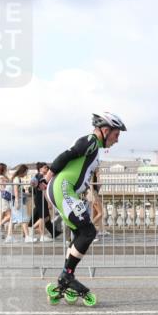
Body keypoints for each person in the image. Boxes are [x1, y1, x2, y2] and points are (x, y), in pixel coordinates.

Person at [45, 112, 126, 301]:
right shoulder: (90, 141)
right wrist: (45, 177)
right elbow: (67, 155)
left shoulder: (95, 147)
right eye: (116, 135)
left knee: (81, 233)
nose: (117, 140)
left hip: (67, 190)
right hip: (63, 188)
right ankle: (67, 275)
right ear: (105, 130)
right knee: (88, 231)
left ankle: (64, 278)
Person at [5, 164, 33, 243]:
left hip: (14, 201)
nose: (26, 174)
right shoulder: (17, 179)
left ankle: (9, 237)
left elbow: (17, 191)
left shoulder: (16, 178)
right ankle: (27, 237)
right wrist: (17, 201)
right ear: (23, 171)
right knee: (23, 218)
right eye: (26, 172)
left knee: (13, 220)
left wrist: (25, 194)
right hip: (17, 201)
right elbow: (16, 190)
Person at [29, 163, 54, 242]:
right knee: (43, 217)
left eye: (47, 167)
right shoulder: (41, 177)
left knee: (45, 217)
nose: (46, 169)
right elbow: (44, 191)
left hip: (38, 198)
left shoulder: (36, 176)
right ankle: (42, 235)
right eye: (45, 167)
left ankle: (32, 228)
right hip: (41, 199)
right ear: (40, 169)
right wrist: (49, 202)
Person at [0, 162, 12, 238]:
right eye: (6, 168)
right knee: (10, 216)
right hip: (3, 198)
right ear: (3, 169)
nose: (7, 170)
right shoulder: (1, 177)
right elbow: (4, 188)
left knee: (2, 216)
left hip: (0, 197)